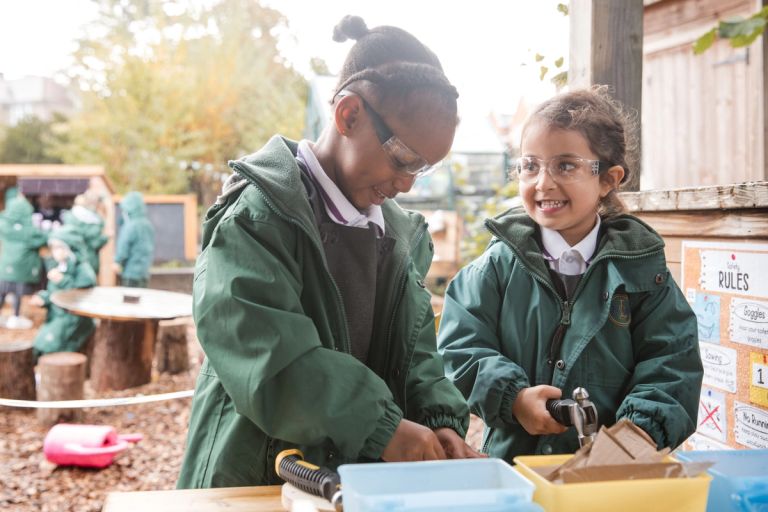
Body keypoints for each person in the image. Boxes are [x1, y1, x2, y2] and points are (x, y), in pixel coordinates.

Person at [178, 15, 479, 489]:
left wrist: (439, 420)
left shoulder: (400, 239)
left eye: (422, 169)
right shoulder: (257, 217)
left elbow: (416, 352)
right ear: (349, 114)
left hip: (356, 480)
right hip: (253, 474)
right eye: (403, 158)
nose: (405, 184)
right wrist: (383, 428)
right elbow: (271, 358)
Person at [437, 87, 703, 461]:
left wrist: (632, 440)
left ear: (609, 179)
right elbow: (460, 346)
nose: (543, 182)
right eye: (530, 165)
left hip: (609, 479)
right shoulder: (495, 268)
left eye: (565, 165)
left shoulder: (644, 273)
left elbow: (673, 364)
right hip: (515, 470)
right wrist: (514, 398)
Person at [29, 226, 96, 360]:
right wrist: (43, 298)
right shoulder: (60, 265)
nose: (55, 252)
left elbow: (81, 296)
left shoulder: (83, 270)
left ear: (69, 247)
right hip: (56, 315)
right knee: (38, 346)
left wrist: (62, 280)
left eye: (59, 247)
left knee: (48, 345)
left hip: (73, 318)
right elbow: (53, 293)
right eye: (53, 247)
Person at [0, 195, 48, 329]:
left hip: (5, 267)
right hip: (21, 269)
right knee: (17, 294)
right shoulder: (29, 231)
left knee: (2, 293)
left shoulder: (4, 226)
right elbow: (43, 240)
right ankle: (15, 318)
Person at [61, 191, 109, 275]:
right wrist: (106, 237)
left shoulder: (70, 215)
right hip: (88, 258)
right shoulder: (93, 219)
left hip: (74, 259)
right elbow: (95, 242)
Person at [113, 191, 154, 287]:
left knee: (130, 300)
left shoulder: (130, 226)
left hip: (131, 273)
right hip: (144, 272)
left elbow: (123, 246)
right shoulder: (148, 225)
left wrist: (117, 261)